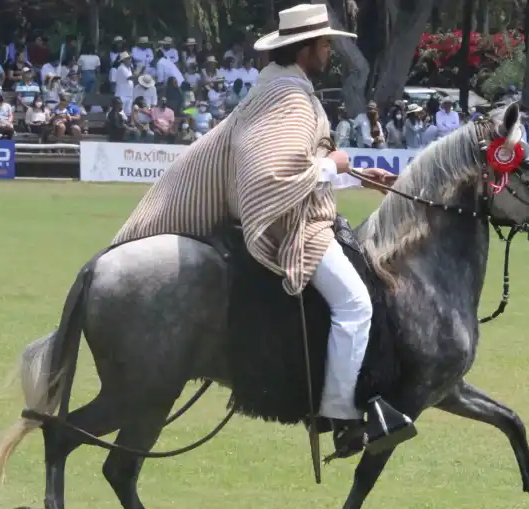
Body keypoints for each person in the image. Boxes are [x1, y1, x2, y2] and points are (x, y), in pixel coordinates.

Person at [109, 3, 415, 458]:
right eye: (326, 43)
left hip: (302, 212)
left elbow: (299, 165)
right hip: (288, 228)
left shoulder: (284, 89)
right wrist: (333, 165)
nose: (330, 50)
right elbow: (271, 178)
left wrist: (358, 174)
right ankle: (340, 414)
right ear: (306, 48)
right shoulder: (288, 96)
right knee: (354, 303)